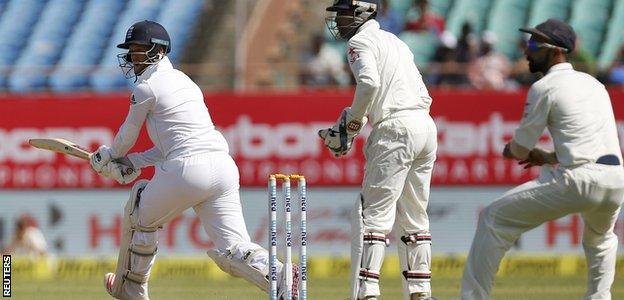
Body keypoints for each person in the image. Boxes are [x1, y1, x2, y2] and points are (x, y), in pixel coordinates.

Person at [90, 20, 299, 300]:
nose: (133, 57)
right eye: (131, 51)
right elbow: (172, 144)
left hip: (188, 169)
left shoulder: (146, 88)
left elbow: (127, 135)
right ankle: (283, 278)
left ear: (159, 50)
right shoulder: (184, 81)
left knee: (139, 211)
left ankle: (131, 289)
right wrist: (134, 162)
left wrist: (110, 156)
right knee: (234, 247)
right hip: (222, 167)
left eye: (139, 50)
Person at [460, 19, 624, 300]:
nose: (527, 50)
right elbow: (592, 144)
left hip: (578, 179)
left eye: (535, 44)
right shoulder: (594, 84)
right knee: (601, 241)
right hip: (615, 180)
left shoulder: (545, 87)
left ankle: (472, 298)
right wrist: (548, 156)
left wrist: (512, 150)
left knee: (492, 218)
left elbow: (521, 148)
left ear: (556, 51)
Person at [320, 1, 438, 299]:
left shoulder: (360, 42)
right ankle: (421, 292)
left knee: (373, 216)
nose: (339, 20)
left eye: (344, 13)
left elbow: (370, 84)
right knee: (415, 216)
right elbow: (421, 90)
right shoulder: (396, 41)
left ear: (361, 13)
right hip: (425, 125)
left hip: (395, 129)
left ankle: (367, 292)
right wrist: (351, 121)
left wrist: (351, 125)